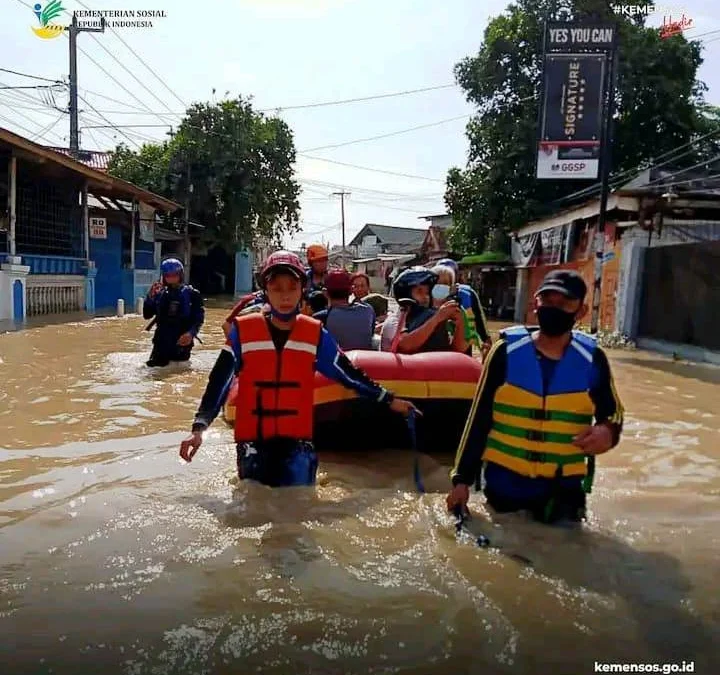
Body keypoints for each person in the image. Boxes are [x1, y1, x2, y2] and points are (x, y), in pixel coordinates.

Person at [179, 251, 417, 487]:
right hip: (253, 441)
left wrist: (388, 399)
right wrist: (198, 428)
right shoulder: (242, 332)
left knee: (300, 507)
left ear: (302, 290)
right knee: (253, 504)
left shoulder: (315, 335)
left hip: (297, 441)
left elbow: (348, 374)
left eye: (292, 287)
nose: (285, 295)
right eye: (277, 288)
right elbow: (219, 380)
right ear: (266, 292)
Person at [446, 269, 624, 524]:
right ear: (535, 304)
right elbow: (478, 419)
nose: (554, 309)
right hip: (505, 486)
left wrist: (608, 431)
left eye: (564, 304)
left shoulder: (593, 359)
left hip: (564, 491)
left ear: (580, 312)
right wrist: (461, 481)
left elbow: (613, 412)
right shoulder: (505, 351)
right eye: (548, 302)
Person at [143, 258, 204, 367]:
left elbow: (198, 318)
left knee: (179, 373)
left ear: (180, 274)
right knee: (154, 372)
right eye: (168, 275)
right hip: (161, 342)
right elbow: (147, 315)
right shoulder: (159, 293)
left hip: (181, 342)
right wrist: (149, 299)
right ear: (164, 276)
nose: (171, 278)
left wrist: (191, 333)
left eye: (174, 275)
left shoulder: (192, 294)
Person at [392, 267, 467, 355]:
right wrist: (436, 318)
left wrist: (460, 322)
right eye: (419, 292)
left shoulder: (436, 314)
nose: (425, 297)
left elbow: (459, 350)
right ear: (405, 294)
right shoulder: (396, 319)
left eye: (427, 292)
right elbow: (404, 346)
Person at [435, 258, 492, 357]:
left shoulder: (468, 293)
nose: (442, 285)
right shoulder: (430, 294)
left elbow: (479, 317)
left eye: (447, 280)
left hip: (464, 343)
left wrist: (486, 339)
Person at [313, 269, 375, 351]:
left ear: (325, 292)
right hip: (363, 362)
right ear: (351, 291)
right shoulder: (368, 310)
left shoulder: (319, 319)